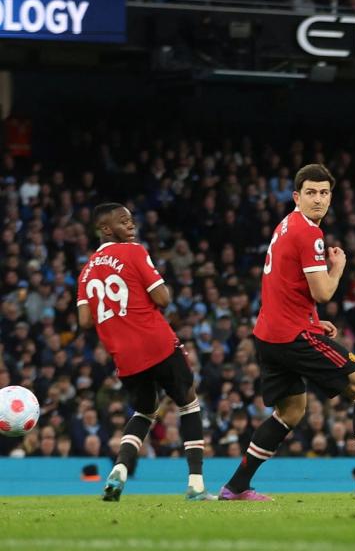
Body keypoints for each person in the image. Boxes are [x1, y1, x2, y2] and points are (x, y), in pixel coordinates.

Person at [219, 163, 355, 501]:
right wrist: (338, 268)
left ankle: (235, 487)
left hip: (270, 334)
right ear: (297, 196)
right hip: (291, 335)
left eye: (324, 193)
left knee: (290, 411)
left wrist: (312, 318)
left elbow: (285, 283)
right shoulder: (308, 232)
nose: (318, 199)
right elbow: (323, 291)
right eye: (310, 192)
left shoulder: (286, 225)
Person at [77, 203, 216, 502]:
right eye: (123, 221)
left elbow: (85, 320)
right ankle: (196, 484)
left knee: (144, 411)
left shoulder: (86, 271)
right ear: (105, 229)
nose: (131, 224)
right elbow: (163, 298)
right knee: (189, 404)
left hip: (124, 356)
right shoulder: (134, 251)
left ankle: (120, 470)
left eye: (131, 219)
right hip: (157, 342)